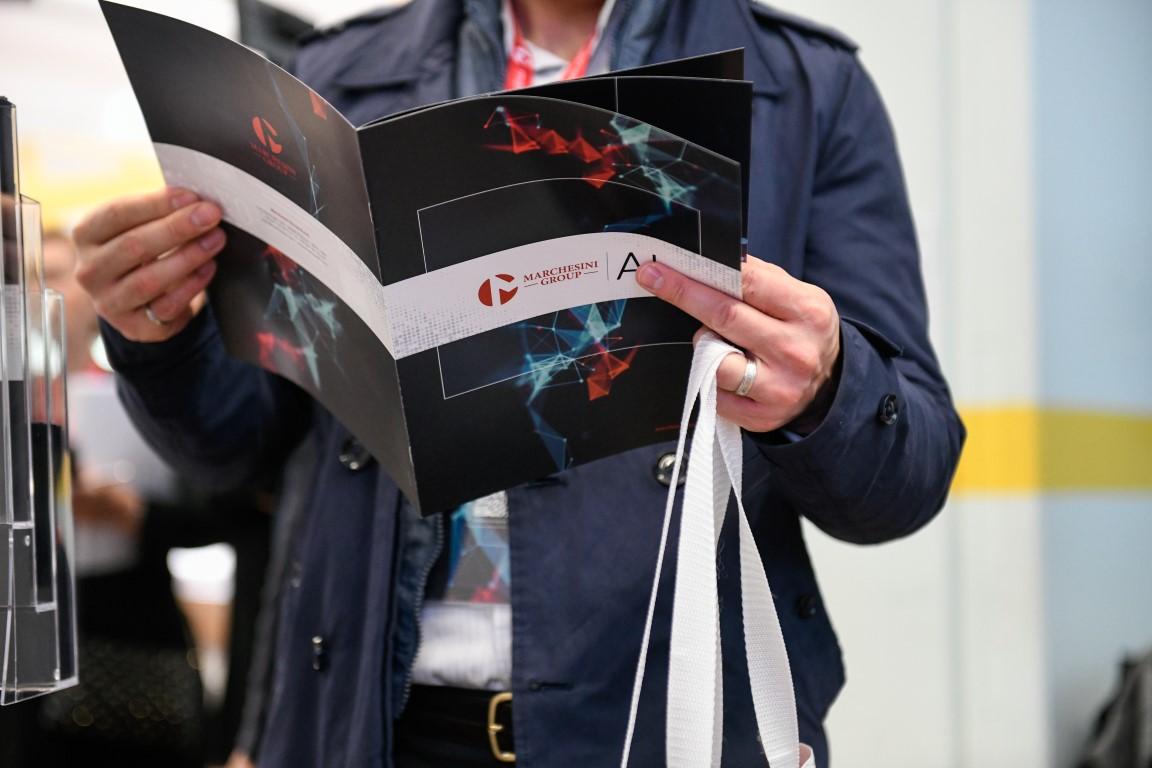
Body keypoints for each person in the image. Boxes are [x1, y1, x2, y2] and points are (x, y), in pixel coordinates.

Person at [73, 0, 966, 765]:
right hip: (369, 721)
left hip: (664, 721)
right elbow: (237, 444)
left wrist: (828, 388)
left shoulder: (807, 90)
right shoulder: (334, 77)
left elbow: (909, 474)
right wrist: (158, 335)